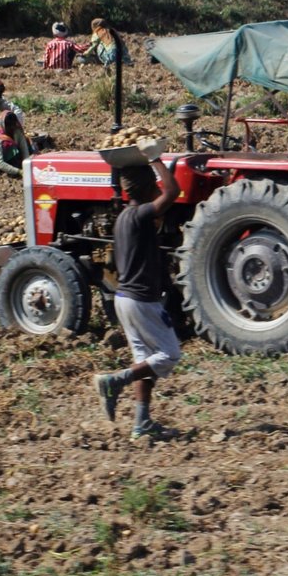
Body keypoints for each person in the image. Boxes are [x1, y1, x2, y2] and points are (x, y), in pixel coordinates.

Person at [92, 138, 183, 442]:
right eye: (153, 186)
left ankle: (141, 423)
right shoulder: (141, 215)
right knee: (169, 355)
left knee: (145, 360)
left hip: (124, 300)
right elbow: (173, 192)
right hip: (142, 301)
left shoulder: (122, 220)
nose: (158, 190)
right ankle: (113, 381)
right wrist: (157, 159)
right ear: (146, 190)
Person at [0, 110, 34, 178]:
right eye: (9, 126)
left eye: (13, 125)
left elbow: (25, 151)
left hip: (16, 157)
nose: (11, 128)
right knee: (7, 145)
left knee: (31, 146)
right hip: (4, 163)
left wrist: (26, 166)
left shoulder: (17, 131)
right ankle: (12, 169)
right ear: (3, 125)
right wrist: (19, 171)